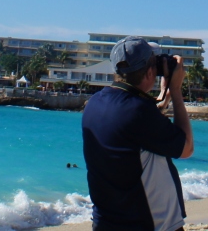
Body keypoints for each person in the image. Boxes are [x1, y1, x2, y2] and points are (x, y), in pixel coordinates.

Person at [81, 36, 194, 231]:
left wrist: (162, 100)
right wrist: (175, 90)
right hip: (150, 224)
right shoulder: (140, 112)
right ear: (150, 71)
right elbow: (186, 148)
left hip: (107, 222)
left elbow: (131, 129)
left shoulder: (95, 103)